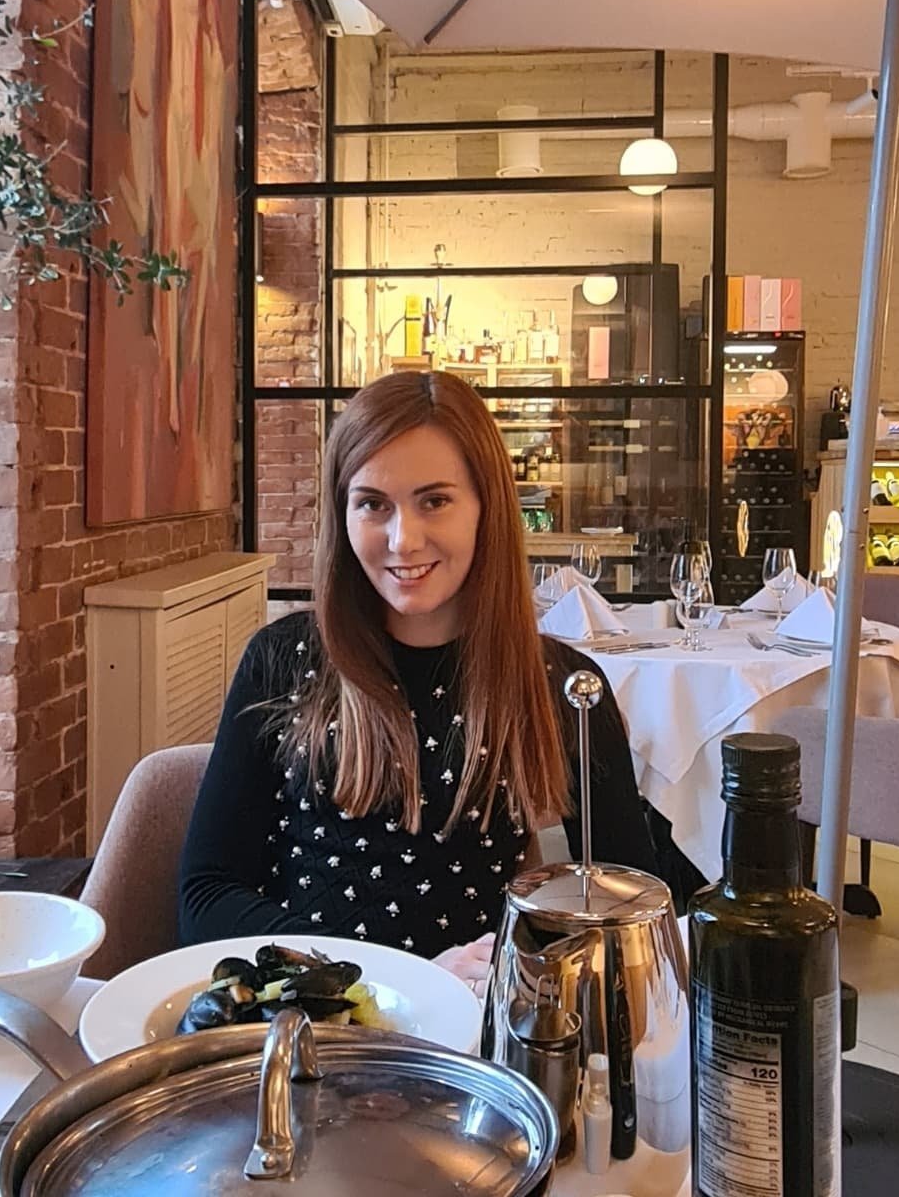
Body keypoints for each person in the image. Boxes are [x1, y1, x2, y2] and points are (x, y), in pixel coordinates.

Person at [179, 370, 698, 987]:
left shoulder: (564, 687)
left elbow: (628, 913)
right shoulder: (283, 660)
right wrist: (393, 978)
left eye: (435, 501)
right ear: (342, 515)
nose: (403, 540)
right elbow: (206, 896)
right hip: (316, 1018)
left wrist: (535, 958)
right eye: (373, 504)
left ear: (486, 509)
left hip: (471, 1021)